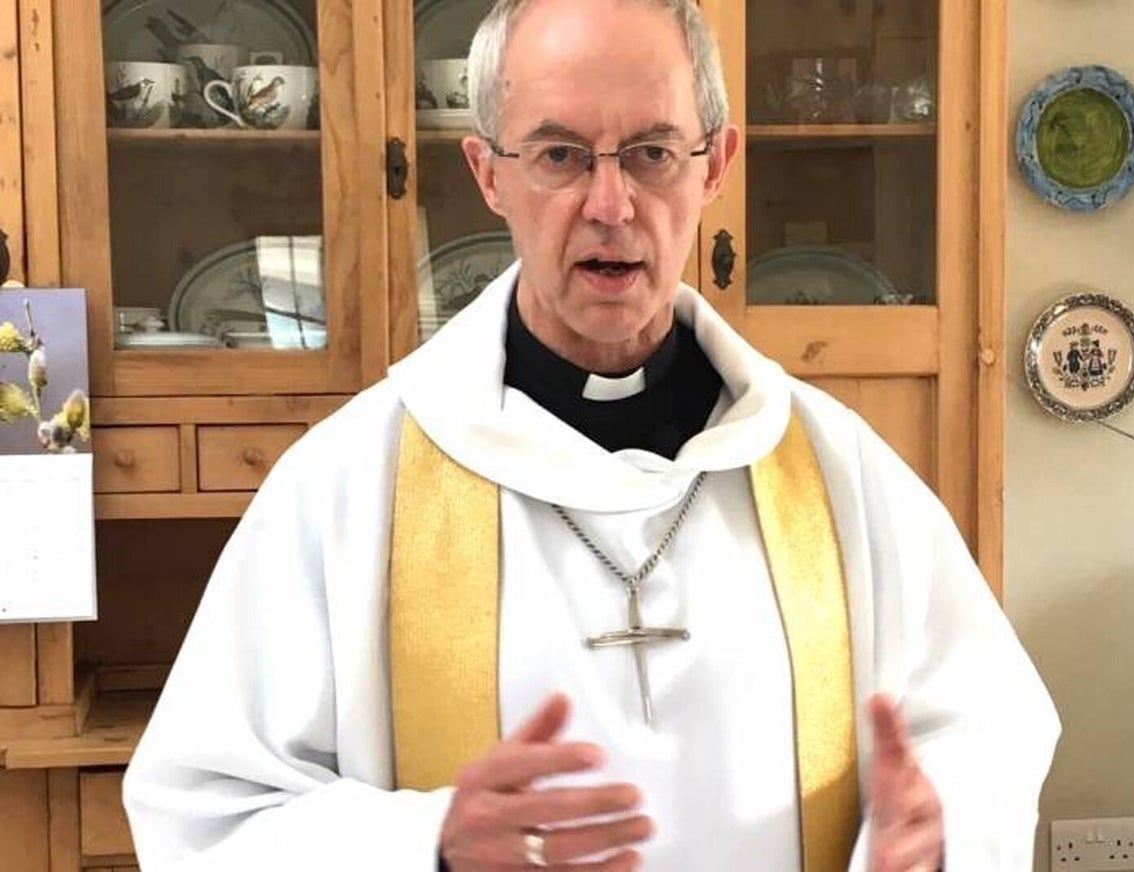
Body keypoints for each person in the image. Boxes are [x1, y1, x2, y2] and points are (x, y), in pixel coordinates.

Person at [122, 0, 1060, 869]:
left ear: (717, 164)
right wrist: (424, 846)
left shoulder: (836, 467)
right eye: (561, 154)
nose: (610, 203)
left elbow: (984, 730)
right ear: (488, 173)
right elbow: (206, 809)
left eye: (652, 152)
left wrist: (939, 836)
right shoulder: (346, 482)